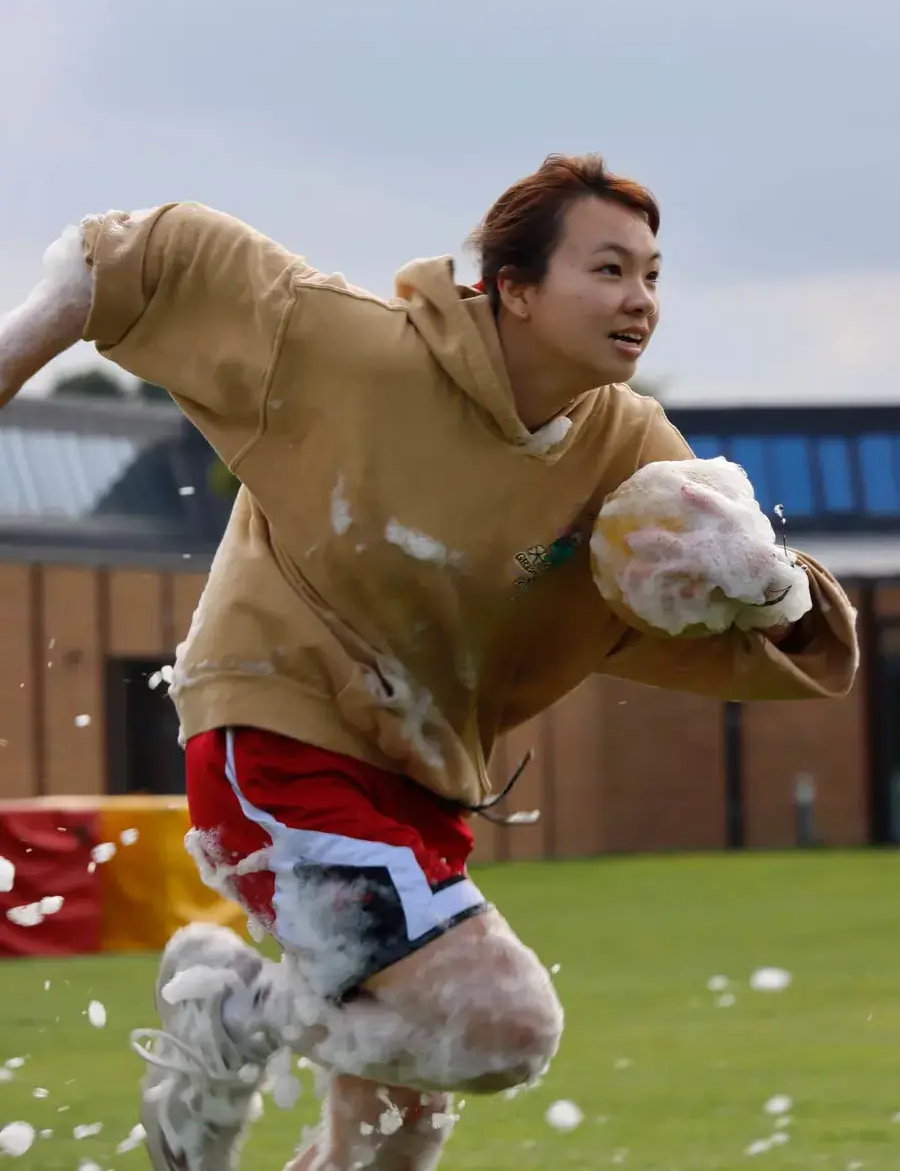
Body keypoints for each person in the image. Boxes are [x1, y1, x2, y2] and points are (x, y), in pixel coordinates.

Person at [0, 154, 858, 1171]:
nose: (641, 300)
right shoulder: (359, 354)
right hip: (278, 739)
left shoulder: (636, 456)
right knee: (502, 1027)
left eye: (654, 275)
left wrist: (773, 586)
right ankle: (238, 1005)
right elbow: (135, 258)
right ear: (514, 286)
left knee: (396, 1136)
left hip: (422, 785)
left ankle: (246, 1013)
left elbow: (761, 625)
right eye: (611, 268)